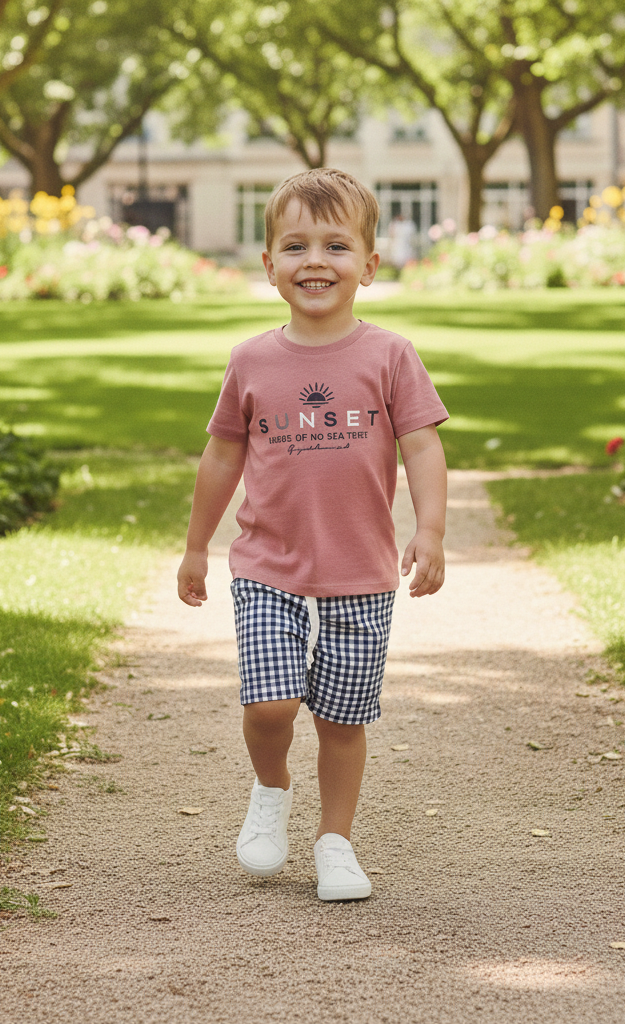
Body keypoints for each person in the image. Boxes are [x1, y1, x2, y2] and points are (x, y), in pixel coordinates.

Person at [176, 167, 448, 901]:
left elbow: (422, 445)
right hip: (268, 565)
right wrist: (198, 545)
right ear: (269, 267)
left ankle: (336, 842)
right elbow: (223, 453)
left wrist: (431, 530)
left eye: (336, 245)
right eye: (295, 246)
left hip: (362, 569)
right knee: (269, 704)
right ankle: (271, 791)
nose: (316, 261)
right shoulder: (252, 360)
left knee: (340, 716)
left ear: (369, 264)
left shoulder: (391, 356)